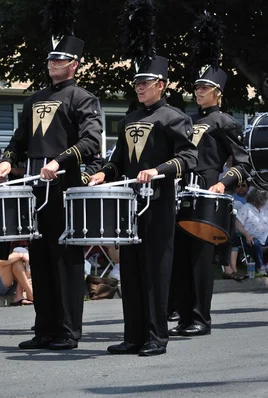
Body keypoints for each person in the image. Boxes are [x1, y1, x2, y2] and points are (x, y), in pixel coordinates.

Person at [0, 20, 102, 349]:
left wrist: (60, 161)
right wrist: (7, 160)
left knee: (65, 261)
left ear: (74, 64)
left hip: (66, 187)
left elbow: (92, 141)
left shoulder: (83, 98)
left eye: (60, 60)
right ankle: (44, 329)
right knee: (39, 258)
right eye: (50, 59)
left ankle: (68, 331)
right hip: (36, 189)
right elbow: (18, 140)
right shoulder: (34, 99)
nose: (53, 64)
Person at [88, 51, 197, 355]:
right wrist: (101, 174)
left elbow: (189, 157)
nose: (139, 86)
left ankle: (156, 338)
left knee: (156, 271)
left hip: (159, 203)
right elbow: (118, 162)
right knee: (132, 270)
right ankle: (133, 336)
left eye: (146, 81)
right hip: (130, 205)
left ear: (161, 84)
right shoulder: (128, 120)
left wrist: (158, 170)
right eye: (136, 81)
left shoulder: (175, 117)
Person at [169, 53, 251, 338]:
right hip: (181, 191)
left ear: (217, 92)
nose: (199, 92)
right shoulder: (187, 120)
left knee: (199, 260)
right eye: (197, 87)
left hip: (207, 192)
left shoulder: (225, 122)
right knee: (180, 256)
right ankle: (183, 314)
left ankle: (201, 318)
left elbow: (243, 163)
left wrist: (222, 183)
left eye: (205, 87)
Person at [234, 189, 268, 276]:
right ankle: (259, 267)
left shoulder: (265, 206)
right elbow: (237, 224)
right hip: (250, 237)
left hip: (265, 236)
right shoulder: (246, 207)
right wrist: (246, 234)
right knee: (255, 243)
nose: (262, 204)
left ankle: (266, 265)